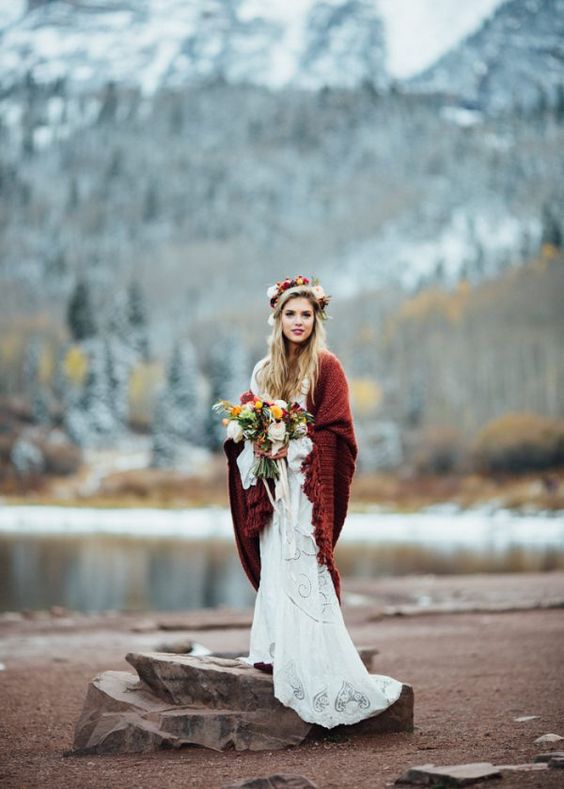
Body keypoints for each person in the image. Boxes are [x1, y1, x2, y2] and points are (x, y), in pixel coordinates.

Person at [223, 276, 403, 728]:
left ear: (316, 318)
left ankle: (315, 659)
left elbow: (336, 431)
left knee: (305, 564)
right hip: (270, 490)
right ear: (277, 318)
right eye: (290, 314)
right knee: (275, 563)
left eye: (305, 314)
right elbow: (251, 425)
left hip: (306, 490)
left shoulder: (327, 367)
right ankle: (275, 650)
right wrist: (255, 440)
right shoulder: (264, 370)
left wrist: (293, 445)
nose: (298, 322)